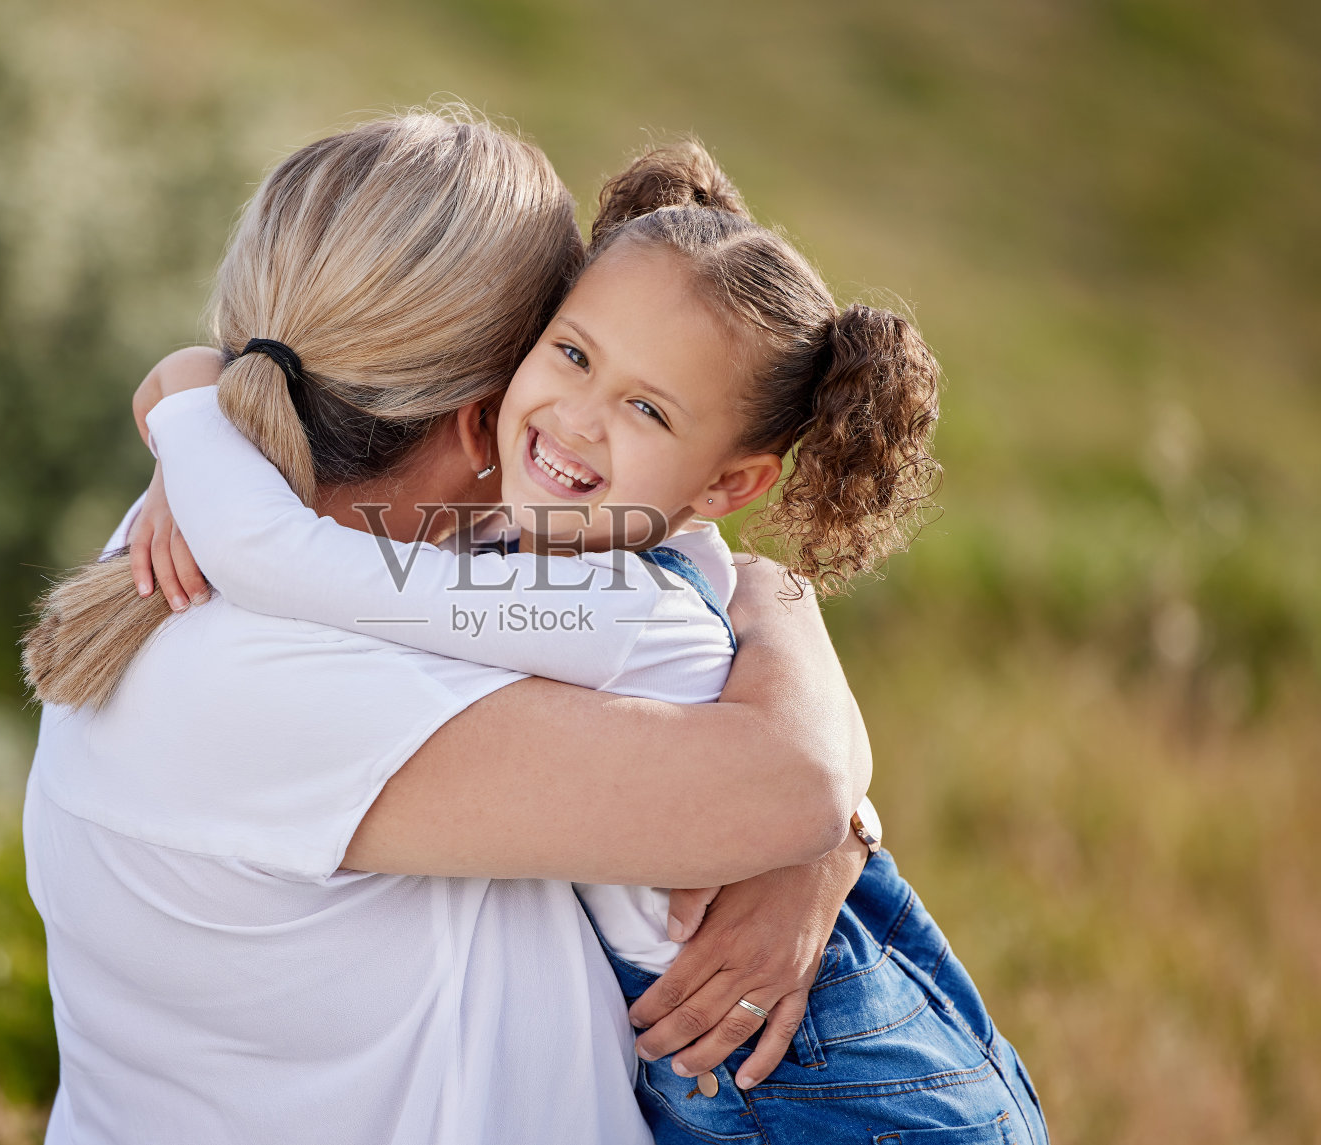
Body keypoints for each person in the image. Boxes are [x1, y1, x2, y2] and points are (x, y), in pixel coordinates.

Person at [128, 142, 1049, 1143]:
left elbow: (282, 558)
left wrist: (193, 400)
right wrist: (232, 409)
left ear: (726, 484)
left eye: (646, 408)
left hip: (834, 1088)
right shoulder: (603, 548)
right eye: (571, 354)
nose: (577, 419)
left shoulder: (602, 605)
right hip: (793, 1053)